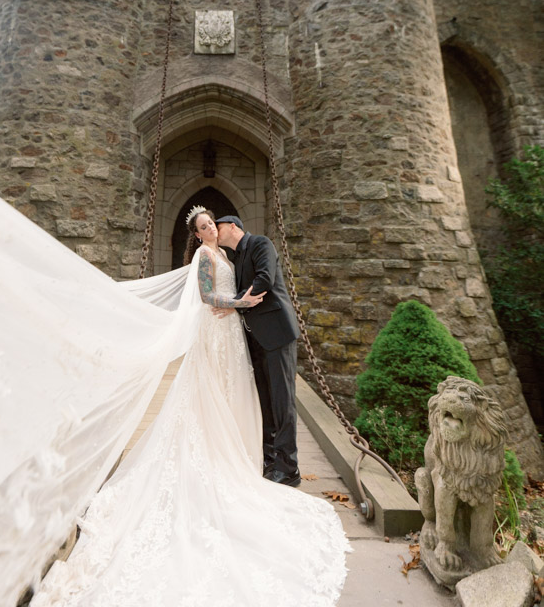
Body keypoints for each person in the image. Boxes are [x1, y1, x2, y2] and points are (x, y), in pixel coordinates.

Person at [32, 205, 349, 607]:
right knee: (211, 394)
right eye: (202, 228)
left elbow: (244, 288)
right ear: (197, 236)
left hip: (234, 332)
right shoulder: (205, 257)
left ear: (223, 227)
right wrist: (237, 304)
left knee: (237, 393)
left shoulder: (233, 254)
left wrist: (235, 305)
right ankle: (230, 457)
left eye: (211, 225)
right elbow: (205, 296)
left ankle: (255, 456)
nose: (209, 231)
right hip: (217, 332)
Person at [214, 214, 301, 487]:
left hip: (277, 334)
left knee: (282, 401)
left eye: (218, 227)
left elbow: (264, 280)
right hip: (256, 340)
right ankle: (269, 458)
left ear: (232, 226)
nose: (215, 233)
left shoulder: (261, 244)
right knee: (264, 400)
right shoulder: (236, 257)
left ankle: (289, 468)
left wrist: (235, 303)